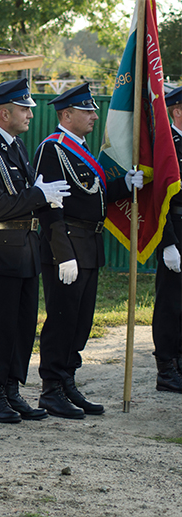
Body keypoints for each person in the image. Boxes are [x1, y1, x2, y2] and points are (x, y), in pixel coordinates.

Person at [34, 83, 142, 418]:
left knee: (80, 321)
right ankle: (51, 388)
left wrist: (125, 184)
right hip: (68, 246)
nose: (94, 116)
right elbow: (50, 205)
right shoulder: (53, 150)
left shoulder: (79, 149)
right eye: (87, 111)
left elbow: (91, 193)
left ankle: (67, 380)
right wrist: (62, 253)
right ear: (67, 115)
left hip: (89, 246)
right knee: (62, 319)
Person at [0, 78, 70, 424]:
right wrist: (39, 195)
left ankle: (12, 389)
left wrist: (39, 197)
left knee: (24, 324)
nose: (30, 115)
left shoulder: (16, 146)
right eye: (24, 109)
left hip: (25, 246)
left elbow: (21, 196)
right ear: (3, 113)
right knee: (2, 323)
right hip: (1, 246)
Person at [152, 85, 182, 392]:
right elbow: (161, 198)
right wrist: (168, 242)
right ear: (177, 111)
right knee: (170, 304)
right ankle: (166, 368)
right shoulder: (167, 145)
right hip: (175, 229)